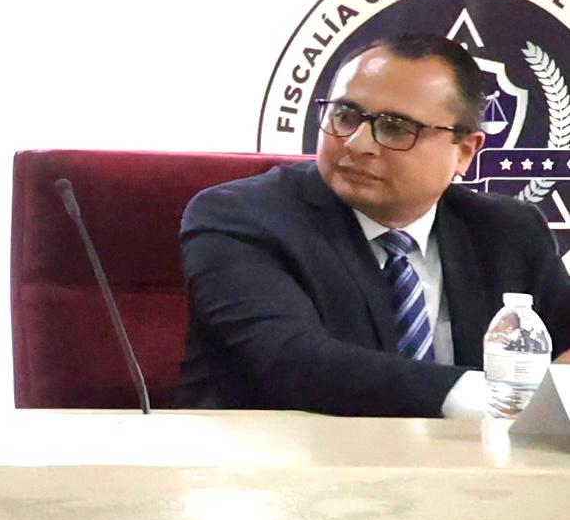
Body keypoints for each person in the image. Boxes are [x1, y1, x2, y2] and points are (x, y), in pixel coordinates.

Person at [180, 31, 570, 415]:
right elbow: (294, 362)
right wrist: (500, 399)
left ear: (465, 151)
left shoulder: (508, 232)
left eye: (395, 127)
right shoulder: (241, 217)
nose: (357, 143)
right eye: (344, 116)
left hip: (479, 456)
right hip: (279, 453)